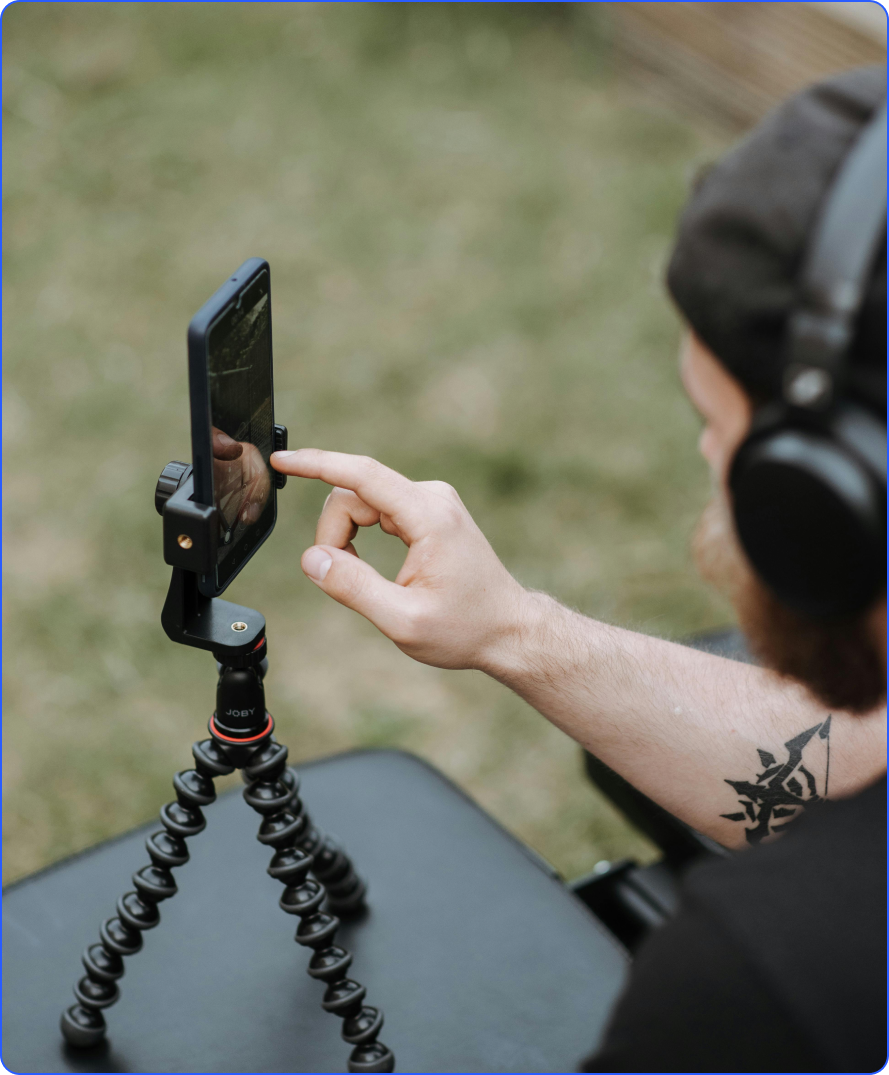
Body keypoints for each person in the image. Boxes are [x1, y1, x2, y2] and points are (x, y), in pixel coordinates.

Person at [271, 66, 886, 1072]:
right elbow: (855, 758)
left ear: (821, 498)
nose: (703, 458)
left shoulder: (779, 986)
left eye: (717, 427)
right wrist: (511, 626)